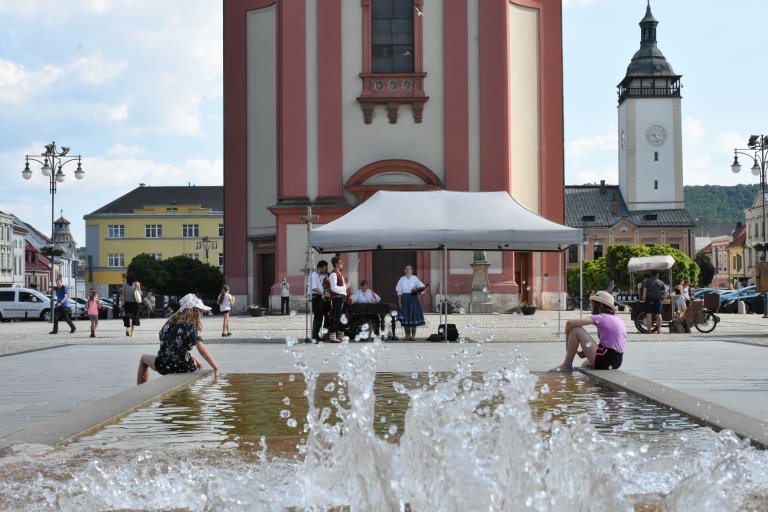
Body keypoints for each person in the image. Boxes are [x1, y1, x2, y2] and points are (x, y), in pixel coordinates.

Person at [136, 293, 220, 385]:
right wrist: (215, 367)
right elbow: (201, 349)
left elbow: (172, 347)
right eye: (199, 311)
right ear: (190, 311)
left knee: (143, 359)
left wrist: (191, 356)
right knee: (195, 363)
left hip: (163, 365)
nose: (201, 314)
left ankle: (140, 389)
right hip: (182, 367)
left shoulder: (169, 323)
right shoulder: (190, 326)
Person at [549, 291, 626, 372]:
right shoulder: (615, 318)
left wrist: (567, 344)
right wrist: (587, 352)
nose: (591, 307)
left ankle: (566, 365)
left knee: (576, 329)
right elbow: (610, 343)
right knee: (584, 365)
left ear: (600, 305)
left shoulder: (602, 317)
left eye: (592, 304)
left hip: (605, 359)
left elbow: (569, 323)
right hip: (617, 361)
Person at [396, 264, 427, 341]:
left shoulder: (415, 278)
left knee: (413, 317)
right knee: (406, 318)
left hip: (413, 299)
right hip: (405, 299)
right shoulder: (402, 279)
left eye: (409, 269)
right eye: (406, 269)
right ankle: (407, 335)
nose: (408, 270)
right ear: (404, 270)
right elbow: (399, 292)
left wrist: (418, 293)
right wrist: (400, 303)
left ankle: (413, 336)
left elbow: (423, 289)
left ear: (412, 271)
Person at [328, 256, 350, 342]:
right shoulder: (333, 274)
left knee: (344, 317)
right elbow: (333, 288)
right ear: (336, 264)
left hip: (342, 299)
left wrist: (346, 288)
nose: (342, 264)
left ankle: (341, 335)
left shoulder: (340, 274)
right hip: (337, 299)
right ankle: (333, 336)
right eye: (340, 263)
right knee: (336, 317)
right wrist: (345, 287)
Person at [310, 260, 329, 341]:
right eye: (325, 269)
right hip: (315, 297)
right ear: (320, 267)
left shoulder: (320, 276)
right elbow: (314, 287)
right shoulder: (313, 275)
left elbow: (323, 284)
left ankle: (316, 335)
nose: (325, 270)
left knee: (320, 316)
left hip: (319, 297)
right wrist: (323, 294)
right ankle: (314, 335)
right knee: (318, 316)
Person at [120, 272, 142, 337]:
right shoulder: (136, 283)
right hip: (135, 303)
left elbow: (123, 294)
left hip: (127, 303)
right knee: (134, 318)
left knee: (128, 316)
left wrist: (122, 303)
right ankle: (132, 333)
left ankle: (128, 328)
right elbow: (139, 293)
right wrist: (138, 288)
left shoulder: (125, 285)